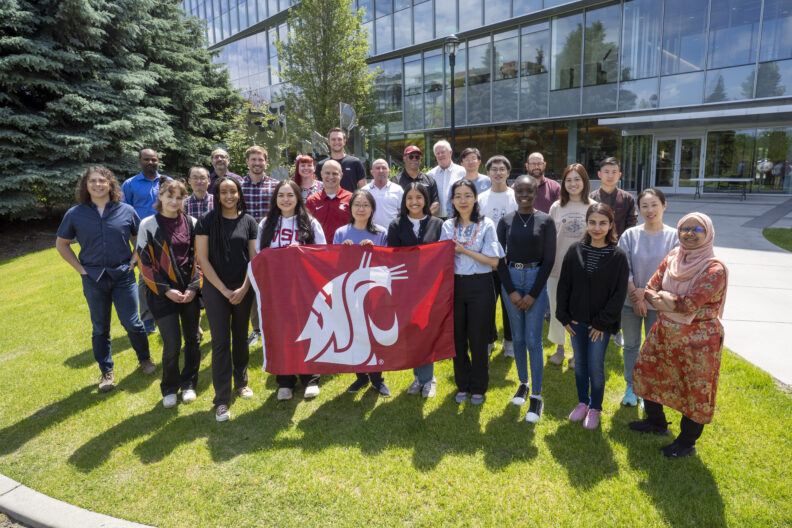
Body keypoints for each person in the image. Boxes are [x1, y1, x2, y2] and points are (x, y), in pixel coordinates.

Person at [630, 213, 728, 459]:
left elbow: (689, 304)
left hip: (699, 342)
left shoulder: (714, 269)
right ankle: (656, 423)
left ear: (708, 233)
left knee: (694, 391)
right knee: (648, 373)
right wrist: (665, 300)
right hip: (664, 332)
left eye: (697, 229)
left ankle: (686, 443)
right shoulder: (673, 257)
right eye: (684, 228)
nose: (689, 233)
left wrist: (662, 299)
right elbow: (650, 288)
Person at [55, 166, 155, 393]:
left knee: (132, 322)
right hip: (93, 279)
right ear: (86, 185)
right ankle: (106, 371)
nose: (98, 185)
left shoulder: (126, 210)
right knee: (100, 327)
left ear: (110, 184)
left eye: (102, 180)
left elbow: (139, 238)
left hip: (123, 276)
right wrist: (80, 270)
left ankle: (145, 359)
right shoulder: (75, 213)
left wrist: (134, 260)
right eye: (93, 181)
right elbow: (62, 244)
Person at [556, 203, 629, 430]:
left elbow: (618, 294)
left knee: (595, 366)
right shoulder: (575, 250)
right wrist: (563, 316)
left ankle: (595, 407)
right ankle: (583, 402)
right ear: (586, 223)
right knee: (580, 365)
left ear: (611, 225)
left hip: (600, 325)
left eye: (602, 223)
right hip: (576, 321)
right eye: (592, 222)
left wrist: (601, 323)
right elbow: (564, 284)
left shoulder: (618, 256)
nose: (597, 228)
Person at [195, 176, 259, 422]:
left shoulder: (249, 221)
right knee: (221, 342)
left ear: (239, 193)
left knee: (241, 337)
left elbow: (253, 259)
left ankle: (241, 382)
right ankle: (221, 399)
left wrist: (244, 288)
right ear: (217, 195)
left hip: (243, 287)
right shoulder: (206, 221)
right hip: (215, 289)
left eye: (233, 191)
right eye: (224, 192)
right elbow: (202, 259)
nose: (229, 196)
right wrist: (223, 290)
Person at [257, 180, 326, 400]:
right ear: (275, 199)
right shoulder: (266, 224)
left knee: (307, 330)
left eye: (290, 195)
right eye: (281, 195)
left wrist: (302, 251)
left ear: (297, 198)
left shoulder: (310, 222)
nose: (285, 199)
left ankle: (310, 378)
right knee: (281, 331)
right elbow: (260, 255)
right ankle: (285, 380)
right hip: (277, 289)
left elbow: (322, 253)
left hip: (304, 287)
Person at [137, 179, 202, 408]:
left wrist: (193, 287)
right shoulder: (148, 225)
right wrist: (166, 290)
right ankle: (170, 387)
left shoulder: (192, 223)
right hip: (162, 294)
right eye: (169, 196)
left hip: (189, 291)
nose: (174, 201)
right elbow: (144, 263)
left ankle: (189, 383)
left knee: (193, 340)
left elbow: (199, 258)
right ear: (160, 197)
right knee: (172, 343)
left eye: (179, 197)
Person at [497, 175, 556, 422]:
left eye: (529, 191)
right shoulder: (505, 221)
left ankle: (537, 396)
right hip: (511, 279)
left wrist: (533, 293)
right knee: (518, 338)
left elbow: (549, 259)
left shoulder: (546, 220)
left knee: (533, 340)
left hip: (535, 279)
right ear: (514, 192)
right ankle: (523, 383)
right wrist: (511, 290)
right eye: (519, 191)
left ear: (535, 192)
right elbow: (498, 257)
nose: (524, 195)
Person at [440, 179, 505, 405]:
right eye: (458, 196)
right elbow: (440, 258)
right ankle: (462, 383)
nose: (463, 200)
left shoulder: (486, 224)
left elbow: (494, 261)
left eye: (467, 195)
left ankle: (478, 386)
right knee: (457, 339)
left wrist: (463, 250)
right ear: (452, 200)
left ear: (476, 198)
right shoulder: (447, 226)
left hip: (480, 285)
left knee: (478, 339)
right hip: (455, 286)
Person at [617, 189, 677, 406]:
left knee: (655, 348)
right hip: (629, 301)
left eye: (654, 205)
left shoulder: (674, 237)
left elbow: (672, 272)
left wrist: (645, 294)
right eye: (645, 206)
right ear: (639, 209)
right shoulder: (629, 235)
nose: (650, 210)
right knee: (631, 345)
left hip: (658, 304)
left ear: (664, 205)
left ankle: (649, 391)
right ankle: (631, 387)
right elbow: (623, 267)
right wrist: (636, 297)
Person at [387, 182, 444, 398]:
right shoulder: (396, 225)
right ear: (404, 201)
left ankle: (428, 379)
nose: (414, 202)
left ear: (426, 200)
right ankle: (419, 377)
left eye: (419, 197)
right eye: (410, 198)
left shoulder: (438, 224)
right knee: (412, 332)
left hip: (431, 288)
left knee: (426, 331)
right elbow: (393, 257)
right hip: (406, 288)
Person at [332, 189, 391, 396]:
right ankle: (361, 376)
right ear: (351, 208)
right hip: (349, 292)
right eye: (357, 204)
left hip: (373, 292)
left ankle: (377, 378)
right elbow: (334, 265)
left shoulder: (381, 233)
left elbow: (388, 263)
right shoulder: (341, 233)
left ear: (372, 209)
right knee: (355, 333)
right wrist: (344, 252)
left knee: (374, 334)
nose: (361, 209)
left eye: (366, 205)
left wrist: (375, 252)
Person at [547, 164, 592, 369]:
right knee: (558, 308)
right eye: (569, 180)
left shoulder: (593, 206)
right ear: (563, 183)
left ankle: (576, 352)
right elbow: (549, 238)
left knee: (579, 311)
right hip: (557, 268)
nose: (573, 184)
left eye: (577, 179)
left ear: (585, 182)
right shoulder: (556, 207)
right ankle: (559, 348)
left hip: (584, 269)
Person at [122, 148, 170, 334]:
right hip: (142, 236)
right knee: (145, 277)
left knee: (168, 273)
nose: (151, 163)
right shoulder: (130, 184)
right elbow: (125, 213)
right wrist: (132, 239)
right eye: (147, 159)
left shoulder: (167, 181)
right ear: (140, 161)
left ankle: (168, 313)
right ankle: (148, 318)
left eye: (154, 160)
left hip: (166, 235)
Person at [478, 155, 518, 358]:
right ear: (488, 173)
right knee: (486, 303)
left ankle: (509, 341)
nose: (498, 173)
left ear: (508, 172)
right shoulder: (481, 198)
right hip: (487, 260)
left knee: (510, 303)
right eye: (494, 169)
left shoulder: (516, 197)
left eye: (502, 169)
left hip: (510, 260)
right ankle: (488, 339)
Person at [240, 145, 278, 347]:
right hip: (242, 244)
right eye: (253, 159)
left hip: (268, 244)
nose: (257, 163)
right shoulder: (237, 186)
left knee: (271, 287)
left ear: (266, 162)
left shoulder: (275, 186)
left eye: (260, 159)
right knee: (250, 287)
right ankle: (256, 329)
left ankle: (274, 327)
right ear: (247, 161)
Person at [306, 159, 354, 242]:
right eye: (327, 173)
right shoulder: (311, 201)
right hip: (320, 248)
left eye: (335, 173)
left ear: (341, 175)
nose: (331, 177)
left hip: (345, 248)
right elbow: (306, 228)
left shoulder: (351, 199)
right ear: (321, 174)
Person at [589, 157, 637, 237]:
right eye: (606, 172)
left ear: (619, 175)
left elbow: (631, 226)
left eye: (614, 172)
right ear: (599, 174)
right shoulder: (591, 198)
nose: (610, 175)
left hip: (620, 243)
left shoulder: (628, 199)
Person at [315, 128, 367, 192]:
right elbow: (318, 189)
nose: (337, 142)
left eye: (339, 139)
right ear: (328, 142)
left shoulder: (355, 162)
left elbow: (364, 190)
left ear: (344, 142)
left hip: (350, 198)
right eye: (333, 139)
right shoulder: (321, 165)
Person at [444, 147, 492, 217]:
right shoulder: (456, 184)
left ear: (479, 161)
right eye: (467, 159)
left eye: (473, 158)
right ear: (462, 163)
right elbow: (450, 207)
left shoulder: (489, 181)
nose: (470, 162)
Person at [393, 145, 440, 214]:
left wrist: (425, 217)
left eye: (417, 157)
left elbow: (436, 203)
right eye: (411, 157)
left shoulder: (429, 180)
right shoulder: (395, 181)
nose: (414, 159)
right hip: (404, 220)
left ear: (420, 159)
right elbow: (392, 204)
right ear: (404, 158)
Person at [426, 139, 465, 219]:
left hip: (457, 218)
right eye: (438, 153)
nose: (440, 155)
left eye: (443, 152)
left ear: (450, 152)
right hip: (436, 220)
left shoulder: (462, 172)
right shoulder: (430, 175)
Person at [367, 158, 403, 228]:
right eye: (377, 168)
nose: (381, 171)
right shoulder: (365, 191)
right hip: (370, 232)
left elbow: (402, 211)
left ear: (389, 172)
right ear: (372, 172)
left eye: (384, 168)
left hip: (392, 232)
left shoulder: (398, 190)